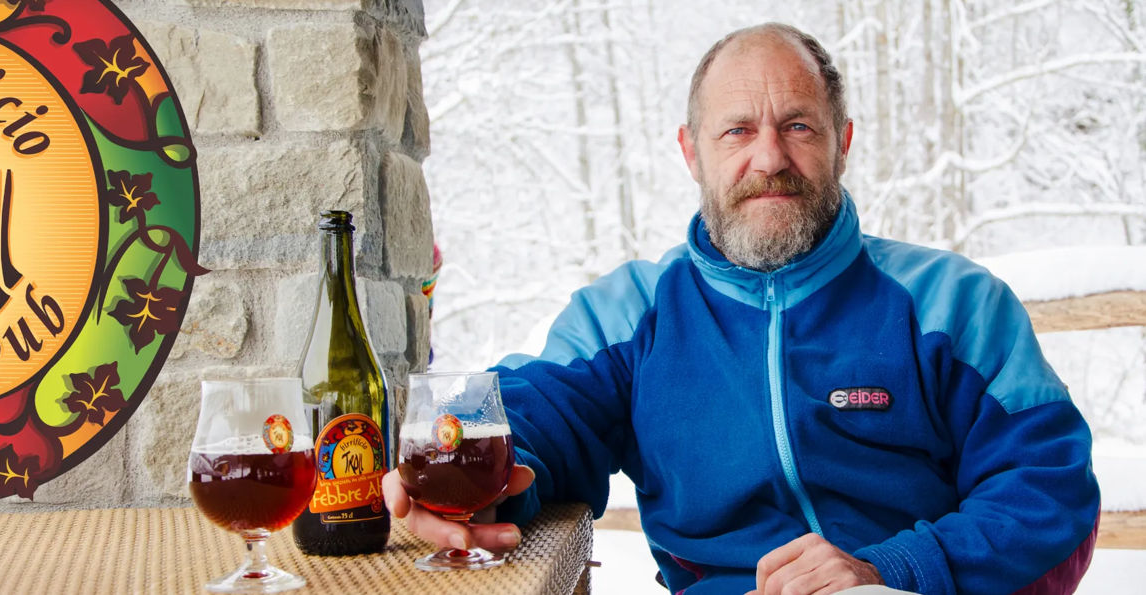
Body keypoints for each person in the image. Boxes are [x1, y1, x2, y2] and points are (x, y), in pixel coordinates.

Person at [382, 22, 1100, 595]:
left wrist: (889, 569)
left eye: (798, 126)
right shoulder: (629, 315)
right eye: (736, 131)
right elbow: (533, 409)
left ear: (842, 144)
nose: (769, 158)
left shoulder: (954, 303)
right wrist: (461, 467)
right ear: (691, 153)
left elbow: (1051, 492)